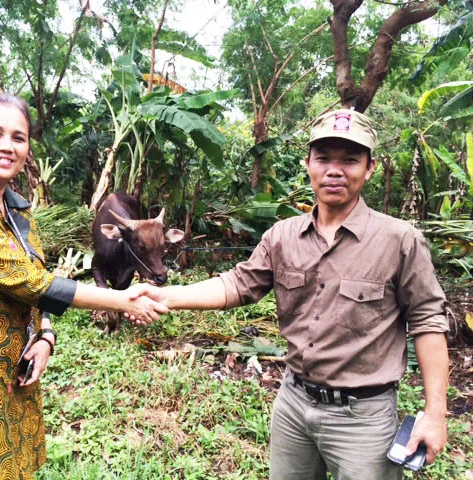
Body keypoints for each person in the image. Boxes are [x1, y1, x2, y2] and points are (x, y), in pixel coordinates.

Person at [129, 109, 449, 480]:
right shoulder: (282, 236)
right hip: (293, 404)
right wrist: (163, 296)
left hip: (362, 417)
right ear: (308, 164)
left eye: (350, 160)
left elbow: (428, 322)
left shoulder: (398, 240)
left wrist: (436, 413)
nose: (334, 170)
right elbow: (237, 284)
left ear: (370, 167)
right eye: (324, 158)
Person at [0, 93, 167, 480]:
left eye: (19, 138)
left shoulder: (17, 208)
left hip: (19, 358)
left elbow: (34, 277)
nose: (7, 146)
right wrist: (121, 299)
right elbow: (29, 281)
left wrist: (45, 335)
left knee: (16, 462)